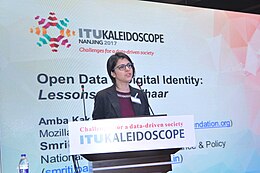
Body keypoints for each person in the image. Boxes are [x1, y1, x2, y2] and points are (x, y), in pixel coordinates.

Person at [92, 52, 150, 120]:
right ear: (113, 73)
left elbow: (147, 121)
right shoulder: (103, 96)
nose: (127, 69)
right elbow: (97, 124)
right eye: (122, 67)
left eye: (129, 65)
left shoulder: (141, 95)